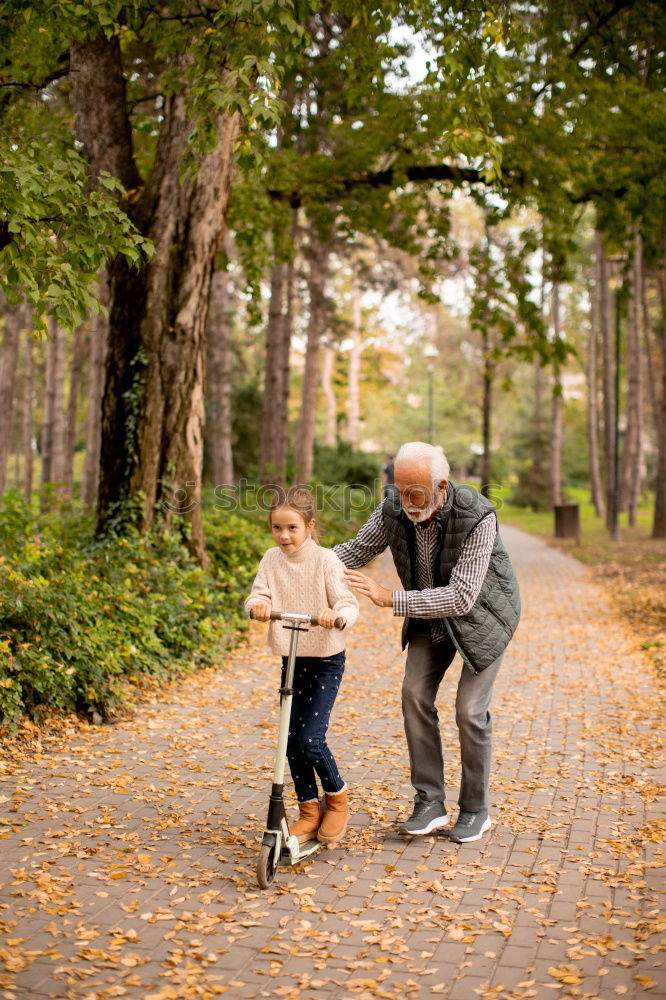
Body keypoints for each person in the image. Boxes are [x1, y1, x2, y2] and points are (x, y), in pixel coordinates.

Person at [334, 441, 520, 844]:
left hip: (482, 618)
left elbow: (461, 596)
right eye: (398, 490)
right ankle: (430, 802)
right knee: (413, 695)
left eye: (413, 492)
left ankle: (475, 810)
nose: (404, 501)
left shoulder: (477, 515)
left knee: (470, 712)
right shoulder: (394, 506)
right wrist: (304, 564)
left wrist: (390, 598)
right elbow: (356, 550)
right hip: (428, 618)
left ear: (441, 486)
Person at [245, 486, 359, 846]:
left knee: (311, 738)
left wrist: (336, 616)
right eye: (277, 528)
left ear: (310, 526)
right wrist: (258, 605)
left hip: (325, 659)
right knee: (289, 742)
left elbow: (347, 602)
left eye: (292, 527)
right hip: (292, 657)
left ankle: (336, 798)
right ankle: (308, 810)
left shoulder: (326, 561)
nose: (284, 535)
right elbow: (257, 593)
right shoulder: (270, 559)